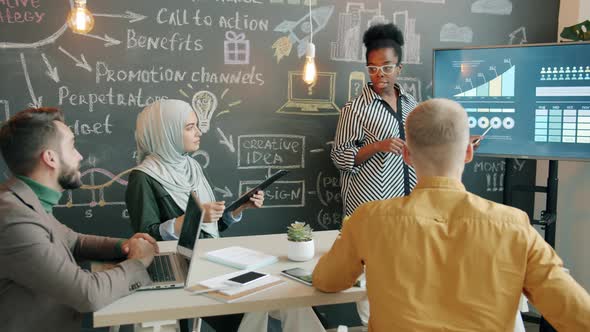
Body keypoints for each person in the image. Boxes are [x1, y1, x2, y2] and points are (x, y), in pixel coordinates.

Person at [313, 99, 590, 331]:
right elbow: (577, 314)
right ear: (469, 151)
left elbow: (326, 281)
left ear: (407, 155)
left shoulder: (368, 219)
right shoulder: (514, 226)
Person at [126, 99, 325, 332]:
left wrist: (240, 208)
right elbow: (145, 238)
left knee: (290, 294)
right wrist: (193, 218)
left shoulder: (191, 167)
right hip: (184, 273)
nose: (198, 132)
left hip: (214, 262)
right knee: (260, 301)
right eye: (189, 127)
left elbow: (211, 228)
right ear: (165, 132)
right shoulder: (143, 178)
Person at [0, 107, 158, 332]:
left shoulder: (24, 199)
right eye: (72, 146)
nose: (80, 156)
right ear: (51, 158)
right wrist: (138, 262)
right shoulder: (13, 221)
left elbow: (73, 241)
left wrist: (124, 246)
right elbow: (88, 294)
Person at [330, 23, 418, 218]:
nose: (379, 73)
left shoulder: (412, 103)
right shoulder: (354, 109)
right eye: (373, 68)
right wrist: (378, 146)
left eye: (387, 67)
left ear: (399, 68)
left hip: (408, 202)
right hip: (370, 205)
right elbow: (339, 157)